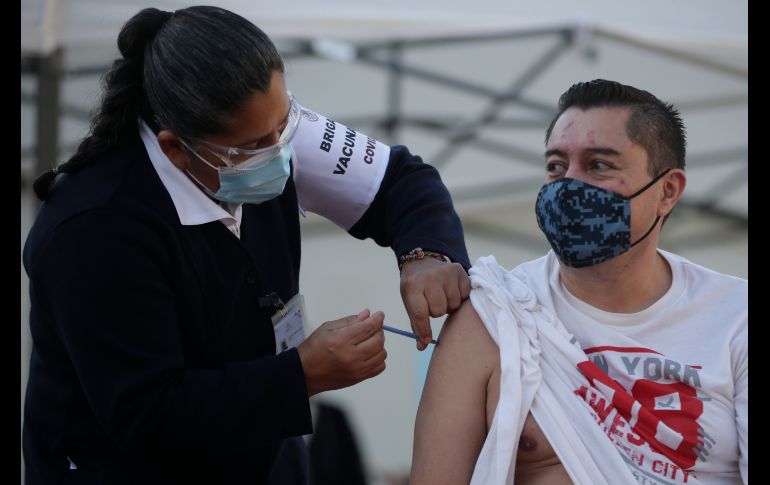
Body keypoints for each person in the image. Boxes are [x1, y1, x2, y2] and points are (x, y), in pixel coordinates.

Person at [22, 6, 471, 484]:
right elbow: (147, 412)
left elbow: (401, 181)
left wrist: (426, 255)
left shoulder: (265, 134)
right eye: (258, 143)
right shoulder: (94, 228)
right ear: (176, 148)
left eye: (283, 125)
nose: (281, 152)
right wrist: (302, 375)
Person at [412, 79, 747, 484]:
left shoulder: (735, 319)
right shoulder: (495, 316)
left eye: (598, 165)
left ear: (668, 191)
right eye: (556, 166)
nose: (569, 186)